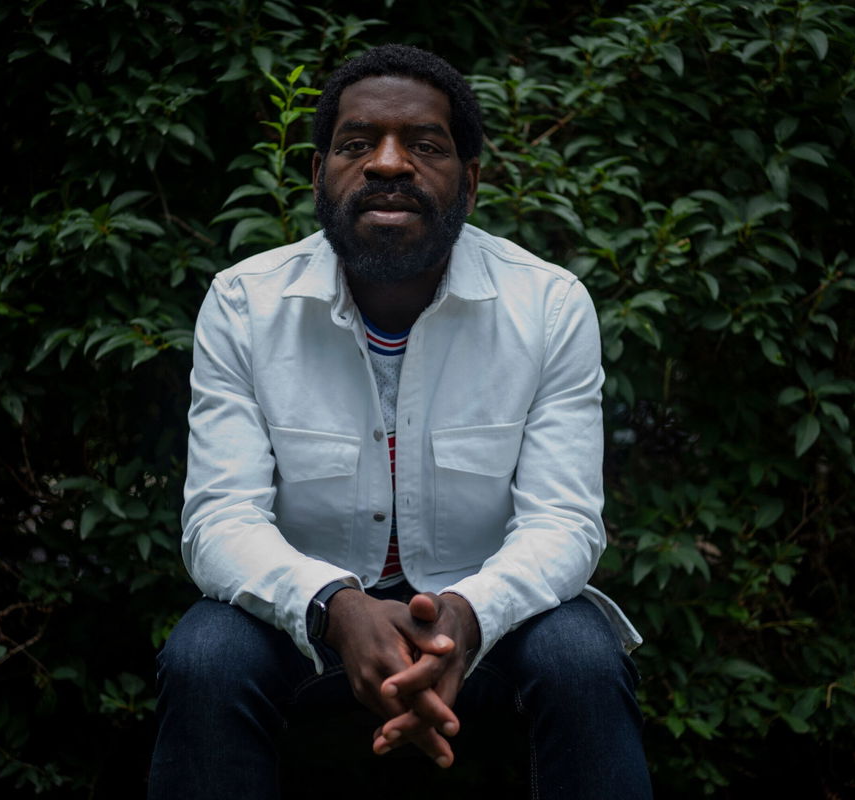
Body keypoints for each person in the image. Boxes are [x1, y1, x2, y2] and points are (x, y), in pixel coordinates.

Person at [148, 44, 651, 799]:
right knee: (206, 654)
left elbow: (565, 522)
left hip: (488, 622)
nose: (388, 164)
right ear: (318, 174)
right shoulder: (244, 304)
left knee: (581, 654)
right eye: (357, 144)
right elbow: (220, 520)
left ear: (470, 182)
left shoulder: (547, 307)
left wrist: (469, 615)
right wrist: (335, 607)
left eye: (425, 145)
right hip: (304, 625)